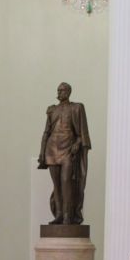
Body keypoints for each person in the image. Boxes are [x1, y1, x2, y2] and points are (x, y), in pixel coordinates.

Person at [38, 82, 91, 224]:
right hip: (52, 149)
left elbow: (82, 134)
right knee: (57, 184)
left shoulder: (77, 108)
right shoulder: (52, 110)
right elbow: (46, 132)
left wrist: (77, 143)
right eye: (58, 90)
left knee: (66, 181)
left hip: (67, 148)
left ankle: (68, 215)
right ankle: (59, 215)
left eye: (61, 90)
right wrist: (42, 152)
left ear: (68, 92)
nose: (59, 93)